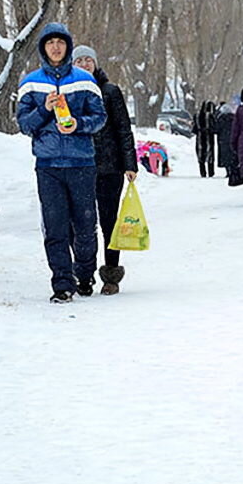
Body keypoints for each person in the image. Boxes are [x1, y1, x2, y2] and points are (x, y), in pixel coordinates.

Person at [17, 24, 107, 303]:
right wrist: (44, 109)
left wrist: (78, 125)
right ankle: (62, 283)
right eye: (50, 43)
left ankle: (84, 273)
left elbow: (100, 118)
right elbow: (23, 124)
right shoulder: (30, 83)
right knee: (54, 226)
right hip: (48, 165)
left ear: (68, 46)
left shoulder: (84, 80)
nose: (55, 47)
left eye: (60, 42)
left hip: (81, 162)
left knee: (84, 224)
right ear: (43, 48)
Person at [72, 44, 138, 296]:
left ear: (96, 64)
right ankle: (83, 274)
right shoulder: (70, 91)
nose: (85, 64)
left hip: (110, 167)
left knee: (109, 222)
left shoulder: (110, 91)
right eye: (80, 61)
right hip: (79, 165)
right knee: (81, 223)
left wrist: (129, 163)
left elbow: (123, 128)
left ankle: (111, 274)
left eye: (89, 60)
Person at [215, 101, 242, 186]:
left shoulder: (220, 118)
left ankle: (228, 171)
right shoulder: (234, 118)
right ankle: (233, 170)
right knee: (233, 155)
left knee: (225, 156)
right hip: (232, 139)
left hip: (223, 140)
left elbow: (216, 129)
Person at [193, 100, 218, 177]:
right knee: (210, 154)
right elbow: (214, 127)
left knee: (201, 155)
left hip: (200, 137)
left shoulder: (196, 116)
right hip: (208, 137)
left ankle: (202, 172)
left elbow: (194, 129)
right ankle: (211, 172)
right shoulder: (210, 116)